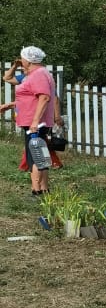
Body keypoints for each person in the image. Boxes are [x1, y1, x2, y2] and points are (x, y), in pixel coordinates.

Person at [1, 46, 57, 196]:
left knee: (35, 156)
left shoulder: (38, 74)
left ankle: (36, 190)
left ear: (29, 60)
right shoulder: (37, 73)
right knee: (41, 154)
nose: (21, 60)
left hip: (36, 123)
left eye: (22, 58)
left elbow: (44, 97)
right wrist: (10, 105)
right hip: (34, 122)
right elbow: (31, 98)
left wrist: (35, 121)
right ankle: (44, 189)